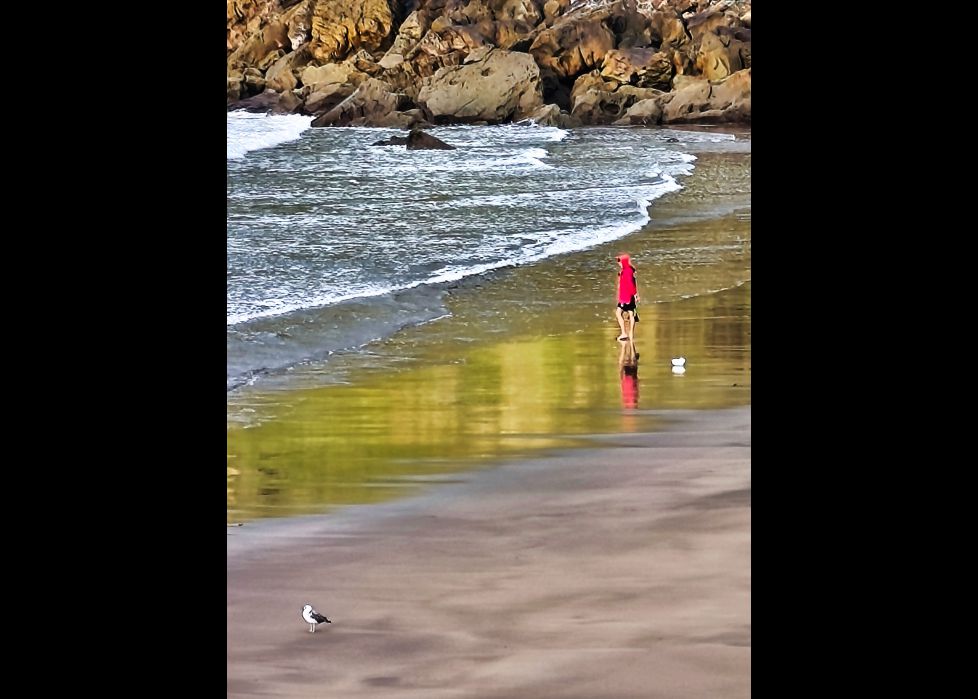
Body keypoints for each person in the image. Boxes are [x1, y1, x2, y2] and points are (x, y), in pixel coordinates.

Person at [615, 254, 640, 341]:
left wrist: (634, 294)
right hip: (628, 296)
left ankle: (624, 333)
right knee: (631, 314)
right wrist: (635, 294)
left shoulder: (626, 271)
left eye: (620, 261)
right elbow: (633, 283)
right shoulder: (628, 270)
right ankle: (630, 334)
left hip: (626, 296)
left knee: (619, 313)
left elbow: (630, 284)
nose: (619, 263)